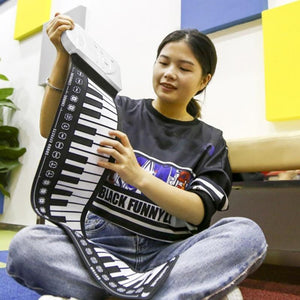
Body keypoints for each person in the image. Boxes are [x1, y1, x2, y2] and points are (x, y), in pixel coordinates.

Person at [6, 13, 267, 300]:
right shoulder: (118, 109)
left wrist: (138, 176)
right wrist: (61, 56)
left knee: (246, 233)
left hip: (167, 256)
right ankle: (159, 293)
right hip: (99, 249)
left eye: (184, 68)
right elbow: (49, 128)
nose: (169, 73)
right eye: (164, 62)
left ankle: (112, 293)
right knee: (27, 245)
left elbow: (199, 212)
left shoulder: (211, 140)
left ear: (204, 80)